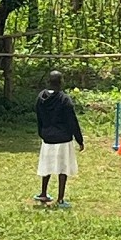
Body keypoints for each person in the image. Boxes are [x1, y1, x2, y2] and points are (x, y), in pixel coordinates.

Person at [35, 70, 84, 208]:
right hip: (63, 139)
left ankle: (43, 193)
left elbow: (39, 118)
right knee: (63, 169)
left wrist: (42, 133)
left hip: (47, 138)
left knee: (46, 167)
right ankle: (60, 199)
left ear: (48, 82)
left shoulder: (40, 97)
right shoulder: (64, 99)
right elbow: (72, 121)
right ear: (61, 82)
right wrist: (79, 140)